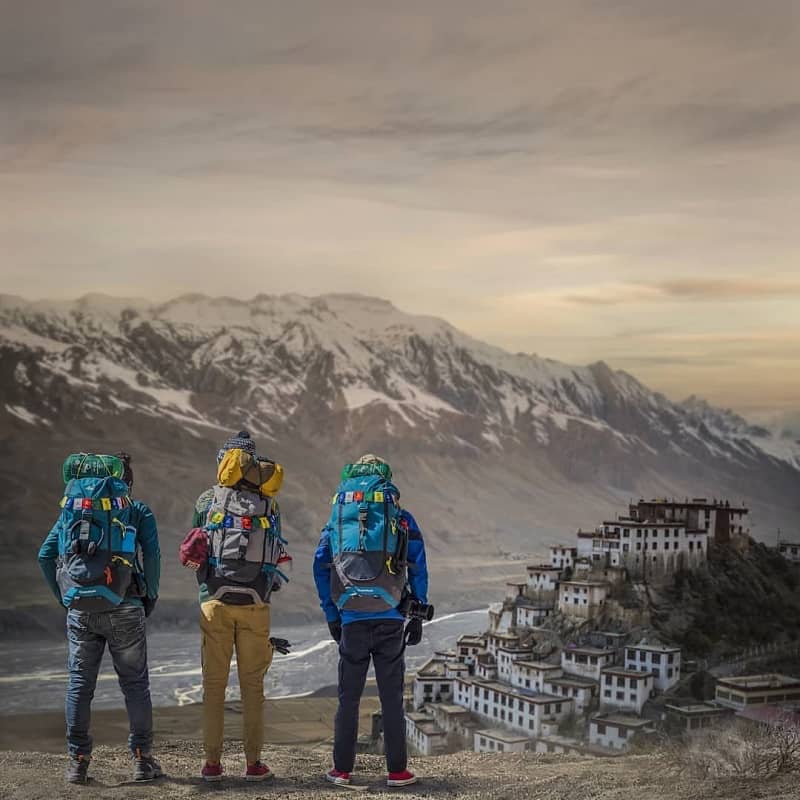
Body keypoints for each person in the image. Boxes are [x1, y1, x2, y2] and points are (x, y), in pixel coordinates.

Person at [38, 452, 162, 785]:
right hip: (126, 605)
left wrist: (65, 598)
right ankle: (141, 760)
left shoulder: (72, 510)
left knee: (80, 685)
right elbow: (152, 555)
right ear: (127, 483)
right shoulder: (136, 511)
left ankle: (78, 762)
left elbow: (45, 554)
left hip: (80, 609)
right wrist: (149, 594)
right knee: (135, 685)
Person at [313, 454, 429, 788]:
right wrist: (417, 611)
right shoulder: (400, 517)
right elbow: (417, 564)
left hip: (351, 618)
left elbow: (320, 565)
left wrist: (332, 613)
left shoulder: (338, 519)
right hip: (391, 616)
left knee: (348, 698)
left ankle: (342, 771)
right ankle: (397, 772)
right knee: (391, 697)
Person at [188, 431, 287, 783]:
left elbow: (195, 546)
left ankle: (212, 765)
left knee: (213, 686)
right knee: (252, 689)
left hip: (214, 602)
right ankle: (253, 764)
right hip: (256, 604)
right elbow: (275, 555)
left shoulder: (206, 500)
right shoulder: (270, 504)